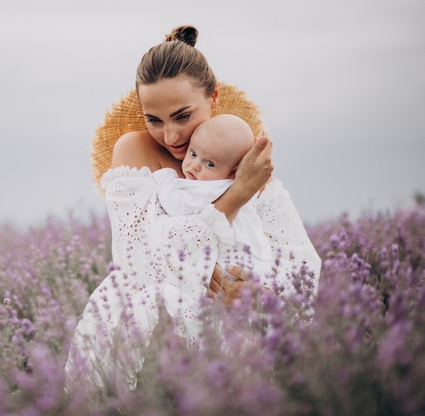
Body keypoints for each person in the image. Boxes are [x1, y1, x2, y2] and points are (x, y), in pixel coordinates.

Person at [65, 25, 321, 393]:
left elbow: (298, 257)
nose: (170, 136)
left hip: (240, 332)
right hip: (151, 336)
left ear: (213, 98)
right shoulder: (133, 152)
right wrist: (236, 195)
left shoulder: (241, 155)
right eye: (154, 119)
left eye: (182, 116)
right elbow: (135, 257)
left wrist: (258, 292)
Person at [154, 113, 273, 289]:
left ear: (233, 173)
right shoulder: (240, 188)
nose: (194, 165)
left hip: (227, 267)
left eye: (209, 164)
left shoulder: (210, 188)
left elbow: (177, 205)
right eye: (193, 153)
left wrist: (165, 177)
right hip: (258, 265)